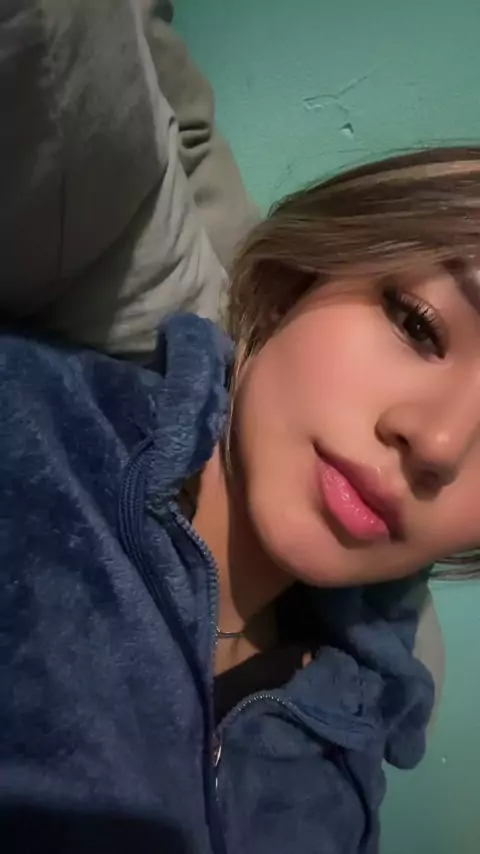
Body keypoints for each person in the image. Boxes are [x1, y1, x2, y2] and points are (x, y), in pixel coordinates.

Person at [3, 144, 480, 854]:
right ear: (296, 282)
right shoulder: (26, 440)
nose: (439, 444)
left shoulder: (352, 748)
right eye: (418, 324)